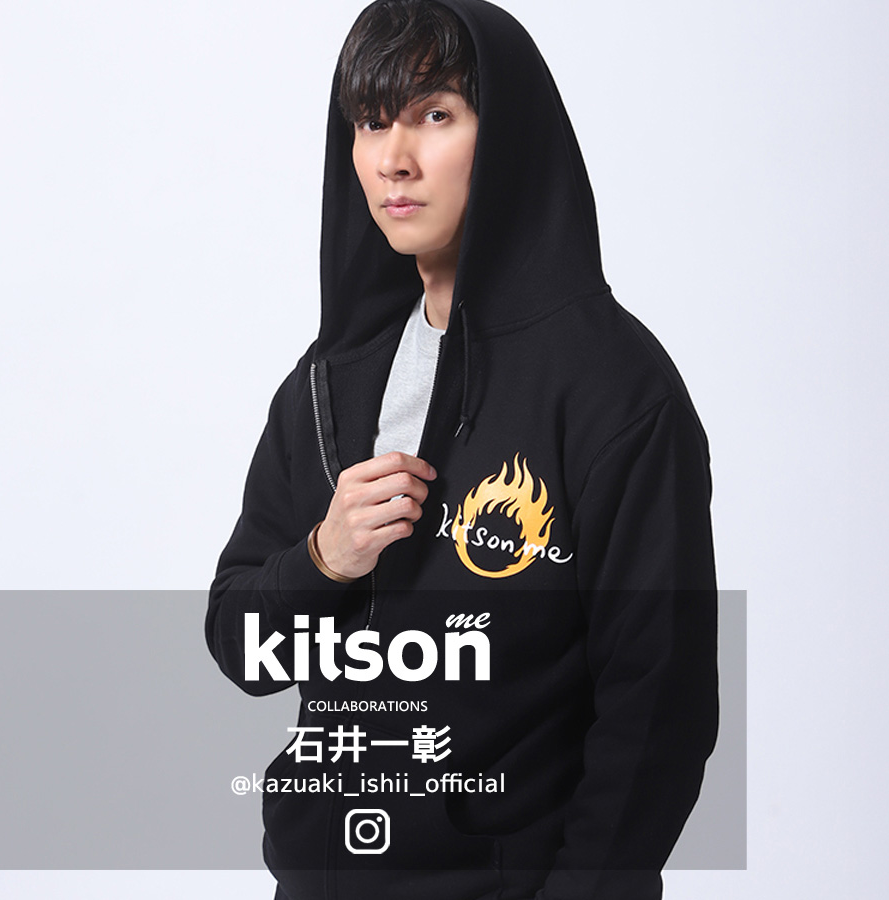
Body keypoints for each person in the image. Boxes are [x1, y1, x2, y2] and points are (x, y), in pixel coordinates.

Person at [205, 1, 719, 898]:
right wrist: (325, 559)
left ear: (505, 134)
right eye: (372, 122)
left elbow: (655, 711)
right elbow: (242, 651)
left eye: (435, 115)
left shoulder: (614, 388)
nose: (394, 158)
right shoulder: (328, 383)